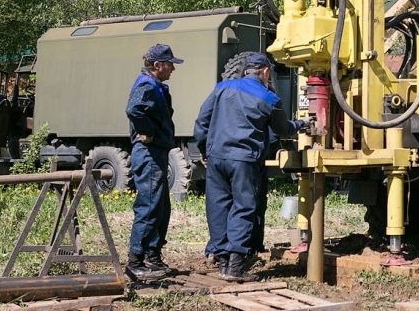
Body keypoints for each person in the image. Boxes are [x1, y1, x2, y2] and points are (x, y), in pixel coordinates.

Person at [194, 52, 306, 281]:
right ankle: (235, 265)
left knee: (218, 206)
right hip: (243, 160)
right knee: (243, 206)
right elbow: (283, 129)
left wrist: (205, 149)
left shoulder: (221, 88)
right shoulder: (269, 98)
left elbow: (202, 121)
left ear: (246, 70)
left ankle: (223, 260)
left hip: (216, 158)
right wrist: (302, 124)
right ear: (265, 72)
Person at [124, 43, 183, 281]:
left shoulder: (155, 85)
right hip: (148, 152)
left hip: (156, 151)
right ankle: (135, 260)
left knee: (160, 206)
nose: (173, 69)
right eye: (170, 64)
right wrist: (149, 132)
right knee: (149, 205)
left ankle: (152, 254)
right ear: (157, 65)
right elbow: (134, 110)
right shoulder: (146, 85)